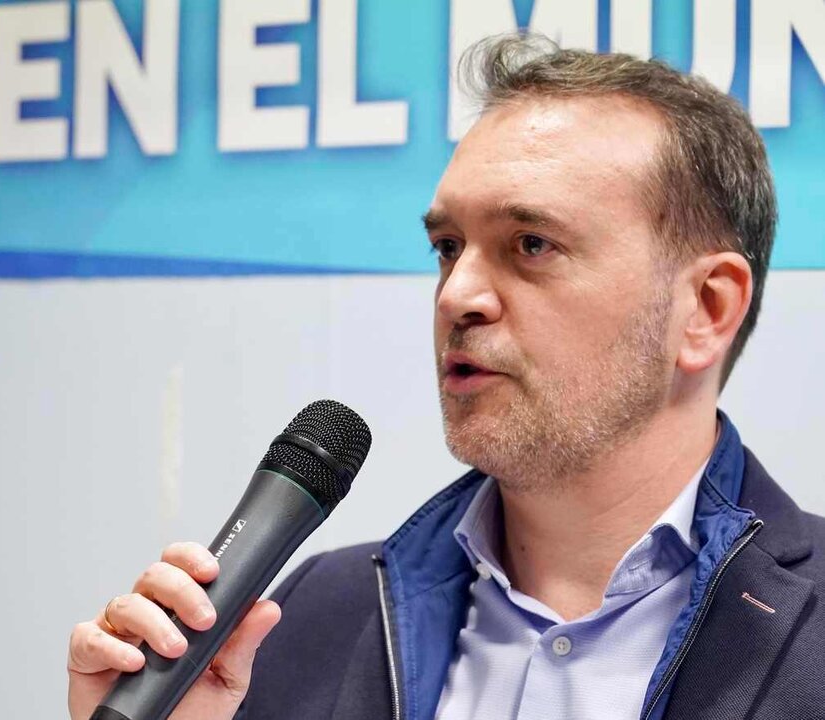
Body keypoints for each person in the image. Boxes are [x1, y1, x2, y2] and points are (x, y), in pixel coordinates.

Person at [67, 35, 825, 720]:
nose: (458, 294)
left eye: (531, 243)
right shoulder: (304, 619)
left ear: (705, 308)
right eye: (447, 246)